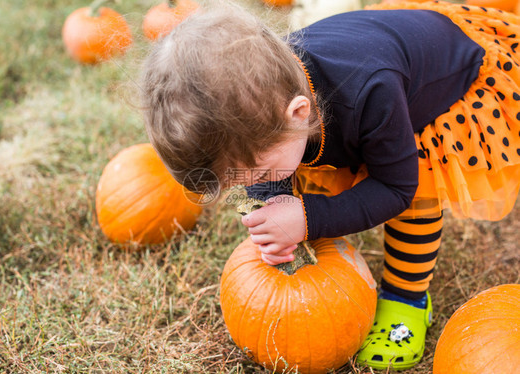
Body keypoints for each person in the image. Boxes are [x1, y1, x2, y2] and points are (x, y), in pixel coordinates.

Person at [140, 0, 520, 370]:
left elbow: (395, 188)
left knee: (417, 192)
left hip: (450, 73)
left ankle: (408, 299)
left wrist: (308, 218)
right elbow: (264, 169)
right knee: (292, 167)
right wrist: (270, 206)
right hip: (370, 65)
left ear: (298, 114)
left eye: (253, 175)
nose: (247, 185)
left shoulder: (373, 92)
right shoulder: (266, 99)